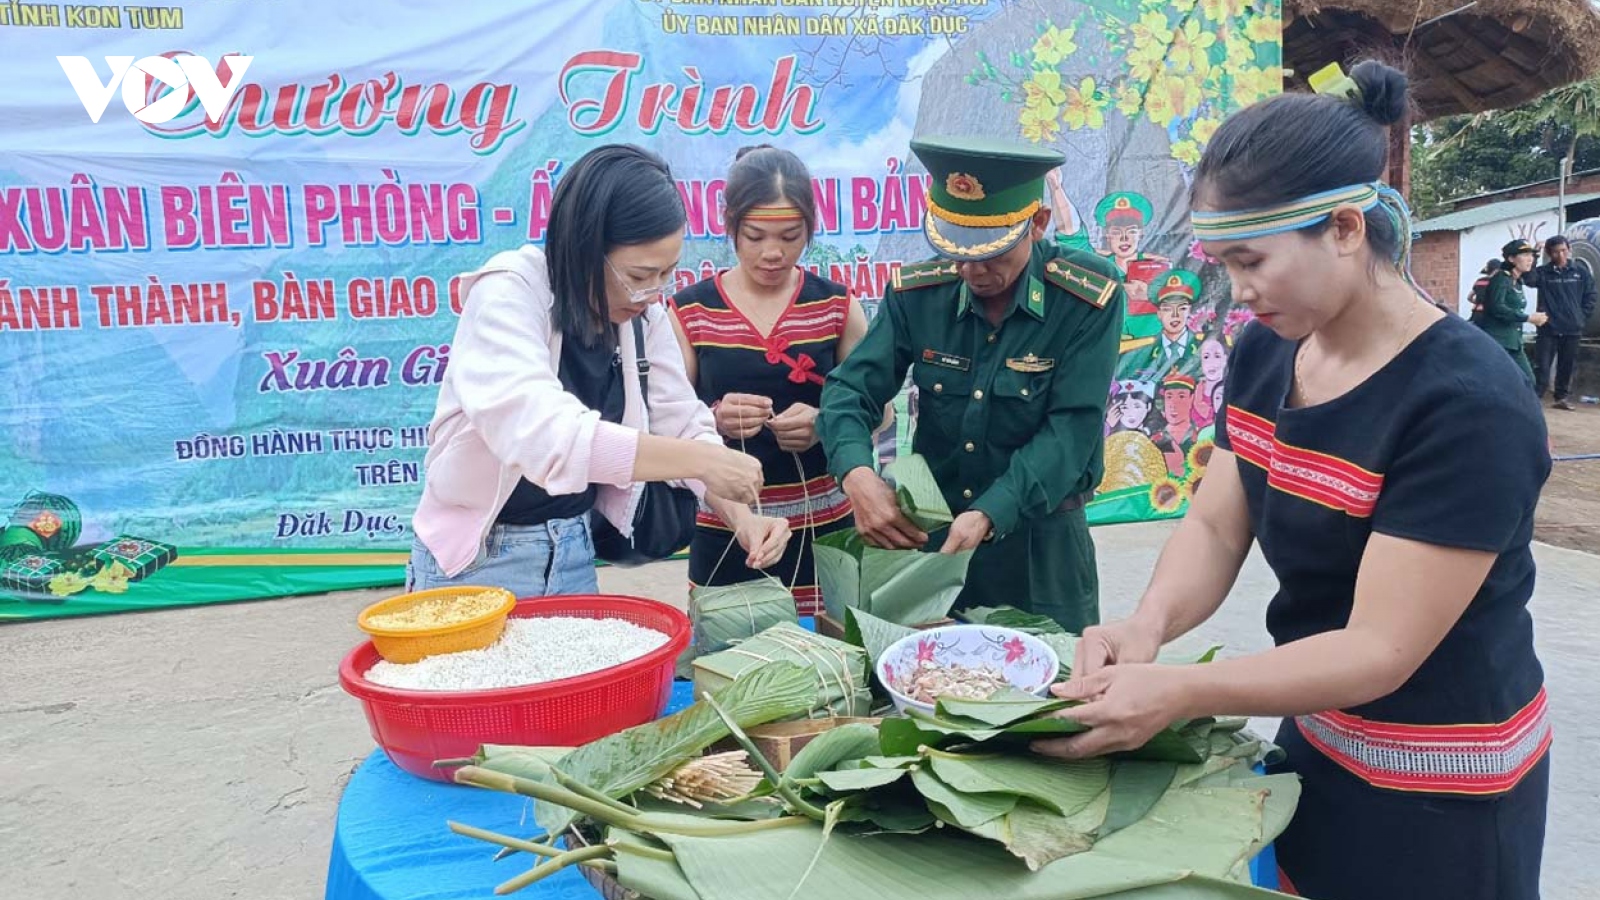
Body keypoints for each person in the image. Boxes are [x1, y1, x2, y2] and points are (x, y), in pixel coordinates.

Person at [1032, 62, 1551, 900]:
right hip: (1318, 731)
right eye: (1222, 263)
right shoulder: (1269, 350)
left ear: (1345, 227)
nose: (1237, 292)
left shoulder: (1467, 403)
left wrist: (1181, 693)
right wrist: (1147, 625)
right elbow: (1214, 524)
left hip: (1443, 783)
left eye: (1251, 261)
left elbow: (1379, 650)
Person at [408, 144, 790, 598]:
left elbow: (681, 421)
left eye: (666, 273)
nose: (652, 292)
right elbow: (548, 437)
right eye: (640, 274)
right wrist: (707, 461)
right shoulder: (508, 295)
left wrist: (743, 518)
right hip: (480, 560)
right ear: (585, 249)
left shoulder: (643, 315)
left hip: (573, 547)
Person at [818, 135, 1125, 632]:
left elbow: (1071, 429)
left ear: (1038, 223)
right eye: (955, 250)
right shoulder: (919, 293)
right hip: (936, 543)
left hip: (1040, 548)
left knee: (1051, 690)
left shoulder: (1086, 296)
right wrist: (857, 475)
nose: (971, 270)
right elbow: (849, 392)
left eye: (992, 253)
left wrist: (991, 511)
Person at [670, 146, 868, 615]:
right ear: (731, 225)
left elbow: (878, 409)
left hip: (826, 527)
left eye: (790, 235)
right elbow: (671, 420)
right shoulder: (692, 312)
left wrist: (827, 421)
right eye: (755, 236)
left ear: (811, 229)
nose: (773, 252)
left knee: (834, 659)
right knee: (730, 659)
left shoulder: (836, 306)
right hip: (727, 525)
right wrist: (715, 418)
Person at [1523, 235, 1597, 409]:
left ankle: (1561, 398)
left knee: (1567, 364)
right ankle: (1536, 397)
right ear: (1550, 254)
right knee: (1542, 365)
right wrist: (1534, 254)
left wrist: (1581, 316)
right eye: (1556, 252)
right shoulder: (1543, 273)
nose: (1561, 255)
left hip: (1572, 328)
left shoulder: (1580, 272)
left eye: (1563, 251)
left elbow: (1591, 295)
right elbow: (1529, 279)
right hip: (1548, 328)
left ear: (1569, 250)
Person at [1479, 239, 1549, 388]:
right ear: (1511, 259)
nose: (1530, 259)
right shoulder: (1501, 279)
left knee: (1527, 381)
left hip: (1514, 342)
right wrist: (1528, 318)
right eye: (1525, 255)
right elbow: (1497, 307)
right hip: (1498, 341)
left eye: (1532, 255)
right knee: (1497, 383)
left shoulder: (1517, 281)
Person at [1466, 257, 1500, 322]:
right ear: (1496, 271)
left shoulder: (1479, 281)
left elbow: (1469, 297)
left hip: (1476, 313)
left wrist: (1478, 302)